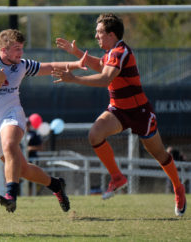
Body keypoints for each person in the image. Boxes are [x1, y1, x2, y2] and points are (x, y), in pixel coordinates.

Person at [52, 13, 186, 216]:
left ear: (111, 34)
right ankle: (117, 177)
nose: (96, 36)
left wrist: (74, 79)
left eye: (99, 33)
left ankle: (178, 187)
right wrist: (76, 52)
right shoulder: (111, 52)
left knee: (159, 154)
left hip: (140, 112)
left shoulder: (121, 51)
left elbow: (105, 77)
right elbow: (100, 65)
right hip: (118, 110)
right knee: (94, 135)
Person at [0, 29, 87, 213]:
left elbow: (50, 66)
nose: (21, 53)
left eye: (22, 48)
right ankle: (55, 185)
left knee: (9, 145)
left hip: (12, 114)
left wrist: (77, 64)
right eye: (16, 49)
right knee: (21, 169)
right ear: (4, 49)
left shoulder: (21, 65)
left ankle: (10, 196)